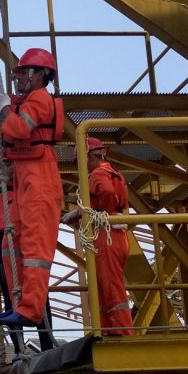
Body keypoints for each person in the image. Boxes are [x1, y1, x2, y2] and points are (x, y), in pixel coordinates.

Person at [0, 46, 64, 326]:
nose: (17, 78)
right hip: (25, 179)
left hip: (40, 178)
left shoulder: (40, 99)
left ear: (39, 74)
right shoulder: (24, 101)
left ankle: (31, 310)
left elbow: (18, 128)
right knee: (9, 242)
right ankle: (19, 305)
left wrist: (5, 108)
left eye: (23, 72)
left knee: (34, 246)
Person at [63, 137, 134, 335]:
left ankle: (122, 331)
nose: (80, 167)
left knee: (110, 285)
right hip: (112, 234)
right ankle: (107, 329)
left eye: (79, 161)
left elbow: (107, 193)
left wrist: (104, 214)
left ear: (89, 156)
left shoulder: (98, 174)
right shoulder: (112, 173)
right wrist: (79, 213)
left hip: (107, 234)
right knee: (102, 285)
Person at [0, 185, 57, 354]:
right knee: (12, 297)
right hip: (5, 253)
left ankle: (46, 347)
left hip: (27, 249)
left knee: (38, 296)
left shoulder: (30, 187)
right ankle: (20, 349)